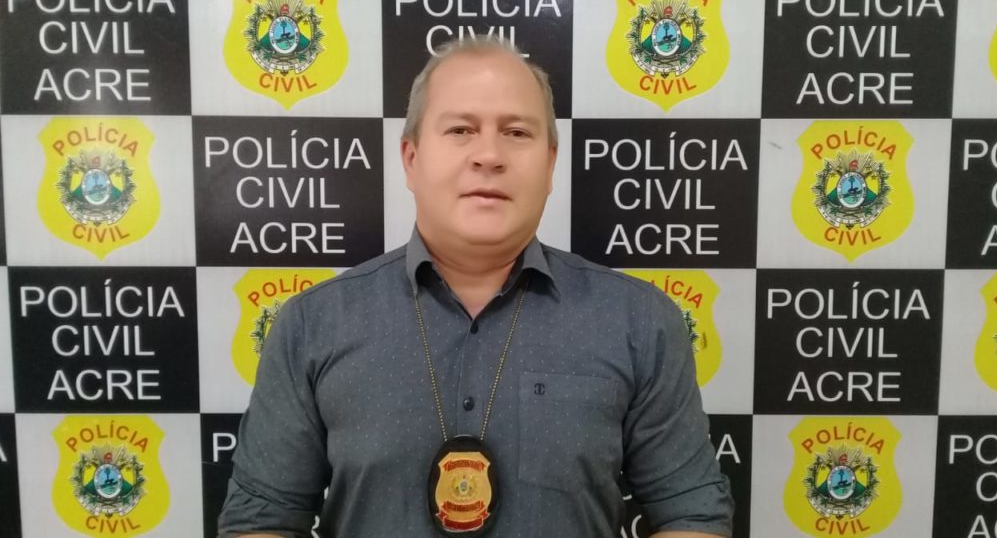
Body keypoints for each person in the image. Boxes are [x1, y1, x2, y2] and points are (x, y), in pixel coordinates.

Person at [218, 37, 733, 538]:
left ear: (550, 163)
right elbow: (261, 521)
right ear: (411, 158)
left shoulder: (639, 322)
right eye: (461, 129)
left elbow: (692, 514)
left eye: (517, 132)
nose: (489, 154)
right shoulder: (312, 325)